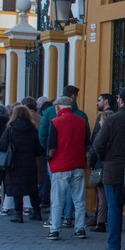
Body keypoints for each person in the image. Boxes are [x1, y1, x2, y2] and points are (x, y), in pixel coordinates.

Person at [93, 88, 125, 250]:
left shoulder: (112, 120)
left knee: (114, 209)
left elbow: (98, 144)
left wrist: (106, 158)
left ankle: (113, 247)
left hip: (113, 171)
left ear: (120, 100)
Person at [41, 85, 88, 229]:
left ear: (58, 107)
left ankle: (55, 228)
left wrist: (49, 159)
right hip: (78, 163)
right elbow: (87, 144)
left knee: (57, 200)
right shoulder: (81, 121)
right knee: (79, 200)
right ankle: (80, 228)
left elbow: (52, 146)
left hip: (60, 165)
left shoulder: (55, 122)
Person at [0, 105, 43, 222]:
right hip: (29, 163)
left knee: (16, 189)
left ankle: (19, 214)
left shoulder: (10, 129)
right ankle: (37, 212)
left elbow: (2, 146)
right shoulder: (33, 129)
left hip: (13, 163)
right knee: (32, 189)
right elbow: (38, 149)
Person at [91, 92, 114, 233]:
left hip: (102, 165)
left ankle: (101, 221)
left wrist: (92, 162)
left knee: (102, 195)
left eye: (99, 100)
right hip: (114, 167)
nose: (97, 103)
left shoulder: (103, 121)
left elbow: (96, 145)